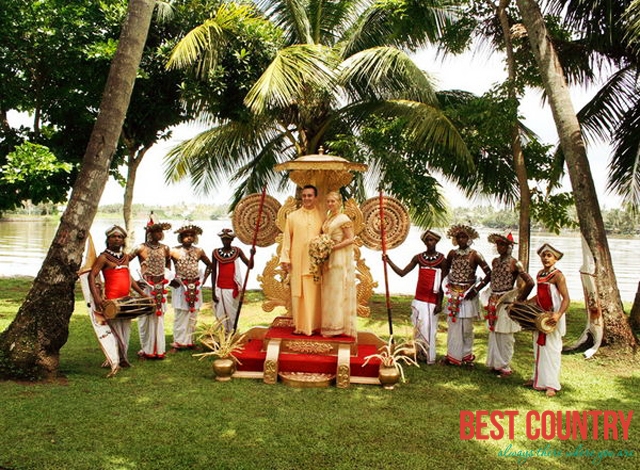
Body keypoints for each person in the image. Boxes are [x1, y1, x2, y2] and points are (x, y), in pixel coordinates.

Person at [88, 225, 148, 372]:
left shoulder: (125, 257)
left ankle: (122, 357)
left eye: (120, 237)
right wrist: (97, 298)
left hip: (126, 299)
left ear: (123, 241)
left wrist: (141, 293)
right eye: (113, 236)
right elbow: (91, 275)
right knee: (113, 330)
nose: (117, 239)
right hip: (111, 300)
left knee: (125, 329)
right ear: (108, 239)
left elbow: (129, 277)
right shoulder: (103, 257)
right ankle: (113, 358)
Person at [384, 230, 449, 364]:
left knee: (430, 329)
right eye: (427, 240)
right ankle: (419, 353)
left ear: (436, 242)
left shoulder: (442, 260)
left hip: (432, 300)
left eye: (432, 240)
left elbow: (443, 284)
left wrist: (439, 303)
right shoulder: (418, 258)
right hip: (419, 298)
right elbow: (402, 273)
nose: (429, 242)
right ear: (424, 242)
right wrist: (389, 261)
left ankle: (430, 357)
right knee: (418, 328)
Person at [482, 232, 534, 377]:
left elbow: (530, 282)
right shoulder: (495, 262)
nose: (499, 247)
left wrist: (520, 299)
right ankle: (495, 364)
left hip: (506, 301)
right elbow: (491, 278)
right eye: (498, 244)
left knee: (506, 336)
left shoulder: (515, 263)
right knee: (495, 333)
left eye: (503, 244)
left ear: (509, 246)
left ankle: (504, 365)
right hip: (493, 301)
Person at [442, 224, 491, 367]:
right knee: (453, 325)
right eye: (458, 237)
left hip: (468, 294)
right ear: (455, 239)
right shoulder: (452, 253)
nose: (461, 239)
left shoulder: (475, 255)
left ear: (469, 238)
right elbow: (446, 270)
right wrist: (444, 285)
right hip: (453, 294)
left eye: (464, 237)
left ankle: (466, 356)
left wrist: (476, 289)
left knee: (467, 328)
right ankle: (452, 356)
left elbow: (489, 274)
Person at [524, 243, 570, 397]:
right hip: (540, 316)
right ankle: (537, 378)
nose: (545, 258)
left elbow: (566, 299)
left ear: (555, 259)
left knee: (552, 349)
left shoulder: (558, 275)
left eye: (549, 255)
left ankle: (551, 384)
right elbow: (540, 295)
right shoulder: (540, 274)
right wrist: (527, 303)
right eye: (543, 255)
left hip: (552, 317)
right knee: (538, 347)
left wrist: (558, 314)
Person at [280, 185, 324, 335]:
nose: (307, 198)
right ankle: (299, 327)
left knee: (314, 294)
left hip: (315, 263)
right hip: (297, 261)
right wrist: (285, 258)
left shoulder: (322, 216)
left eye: (310, 195)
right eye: (304, 195)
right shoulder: (292, 217)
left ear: (315, 197)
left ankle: (314, 325)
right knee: (298, 295)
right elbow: (287, 239)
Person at [130, 218, 172, 360]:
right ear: (150, 233)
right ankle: (147, 349)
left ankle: (159, 349)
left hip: (160, 287)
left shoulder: (165, 248)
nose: (158, 234)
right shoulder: (140, 248)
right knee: (145, 318)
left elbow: (168, 264)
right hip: (146, 288)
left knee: (159, 318)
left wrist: (168, 278)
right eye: (155, 232)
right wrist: (134, 281)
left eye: (160, 232)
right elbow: (124, 262)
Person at [320, 191, 357, 337]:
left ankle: (337, 326)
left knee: (336, 291)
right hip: (327, 257)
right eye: (328, 201)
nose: (330, 204)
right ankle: (328, 324)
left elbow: (350, 239)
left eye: (333, 201)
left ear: (339, 203)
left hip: (338, 258)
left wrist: (332, 247)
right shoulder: (329, 218)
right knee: (328, 291)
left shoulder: (343, 218)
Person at [170, 224, 212, 351]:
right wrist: (171, 280)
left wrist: (203, 279)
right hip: (180, 287)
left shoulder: (199, 251)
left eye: (191, 236)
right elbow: (164, 267)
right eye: (186, 235)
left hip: (195, 286)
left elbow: (210, 265)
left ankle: (190, 341)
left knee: (193, 314)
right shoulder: (173, 251)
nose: (189, 238)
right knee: (180, 314)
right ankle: (178, 342)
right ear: (181, 237)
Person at [211, 228, 254, 332]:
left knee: (232, 312)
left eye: (228, 239)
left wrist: (252, 255)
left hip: (233, 287)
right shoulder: (216, 252)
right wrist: (213, 291)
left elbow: (250, 266)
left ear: (232, 240)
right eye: (224, 239)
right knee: (221, 313)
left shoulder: (237, 251)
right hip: (220, 287)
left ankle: (232, 333)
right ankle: (222, 334)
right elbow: (214, 272)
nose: (226, 241)